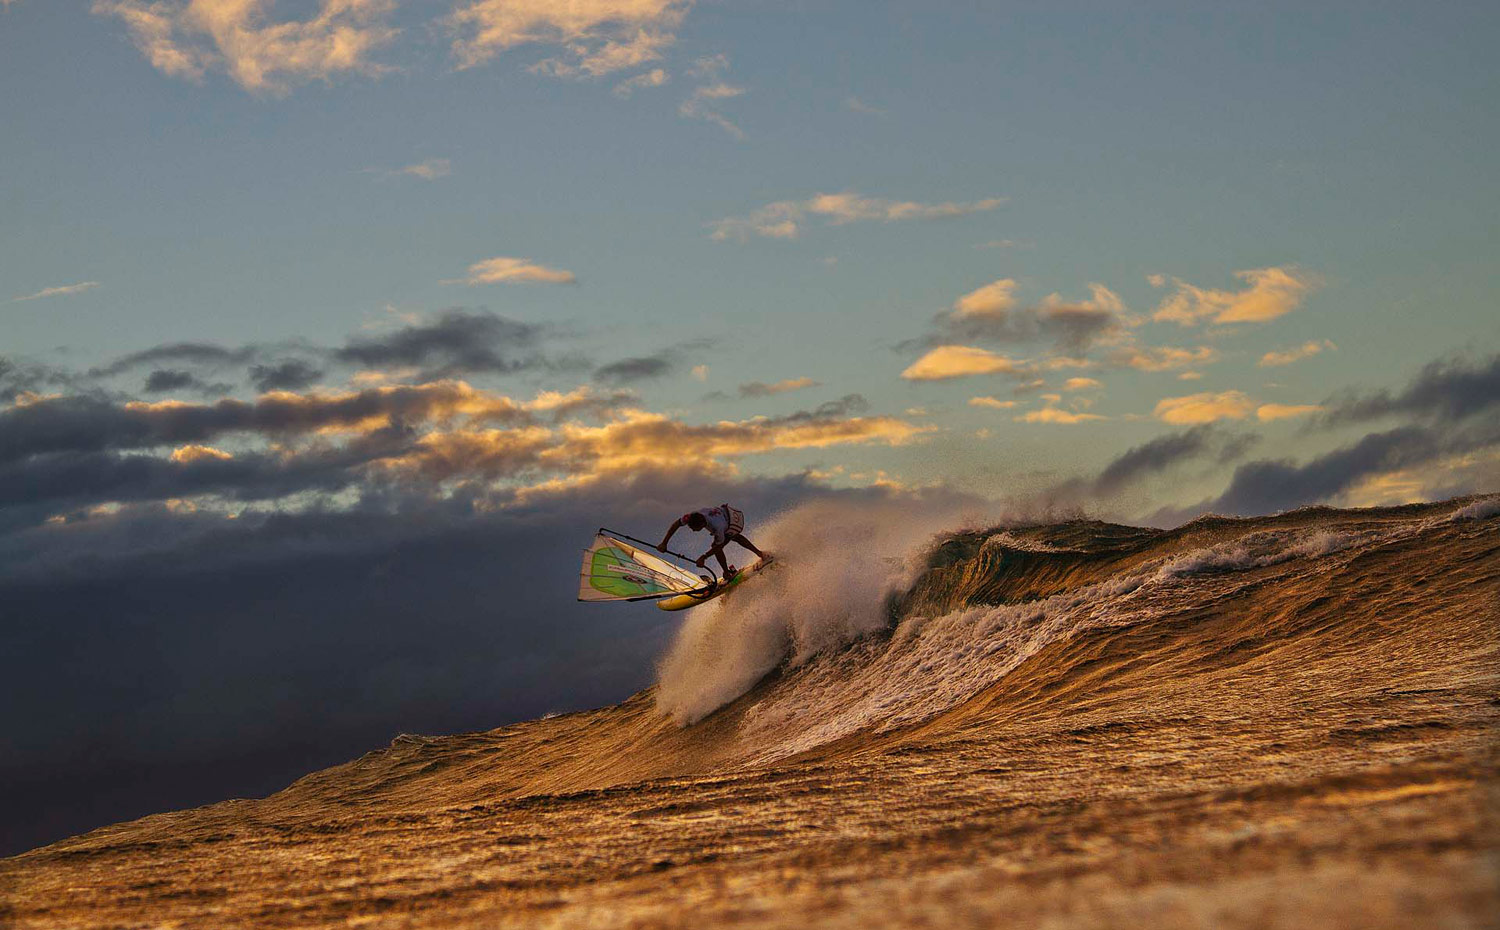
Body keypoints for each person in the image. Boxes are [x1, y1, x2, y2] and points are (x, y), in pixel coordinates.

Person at [658, 503, 767, 577]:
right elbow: (676, 524)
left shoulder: (717, 526)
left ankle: (727, 573)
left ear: (702, 524)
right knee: (729, 539)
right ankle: (760, 554)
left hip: (734, 521)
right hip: (726, 512)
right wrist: (664, 543)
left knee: (727, 540)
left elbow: (718, 547)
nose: (693, 530)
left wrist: (704, 557)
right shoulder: (691, 516)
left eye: (694, 528)